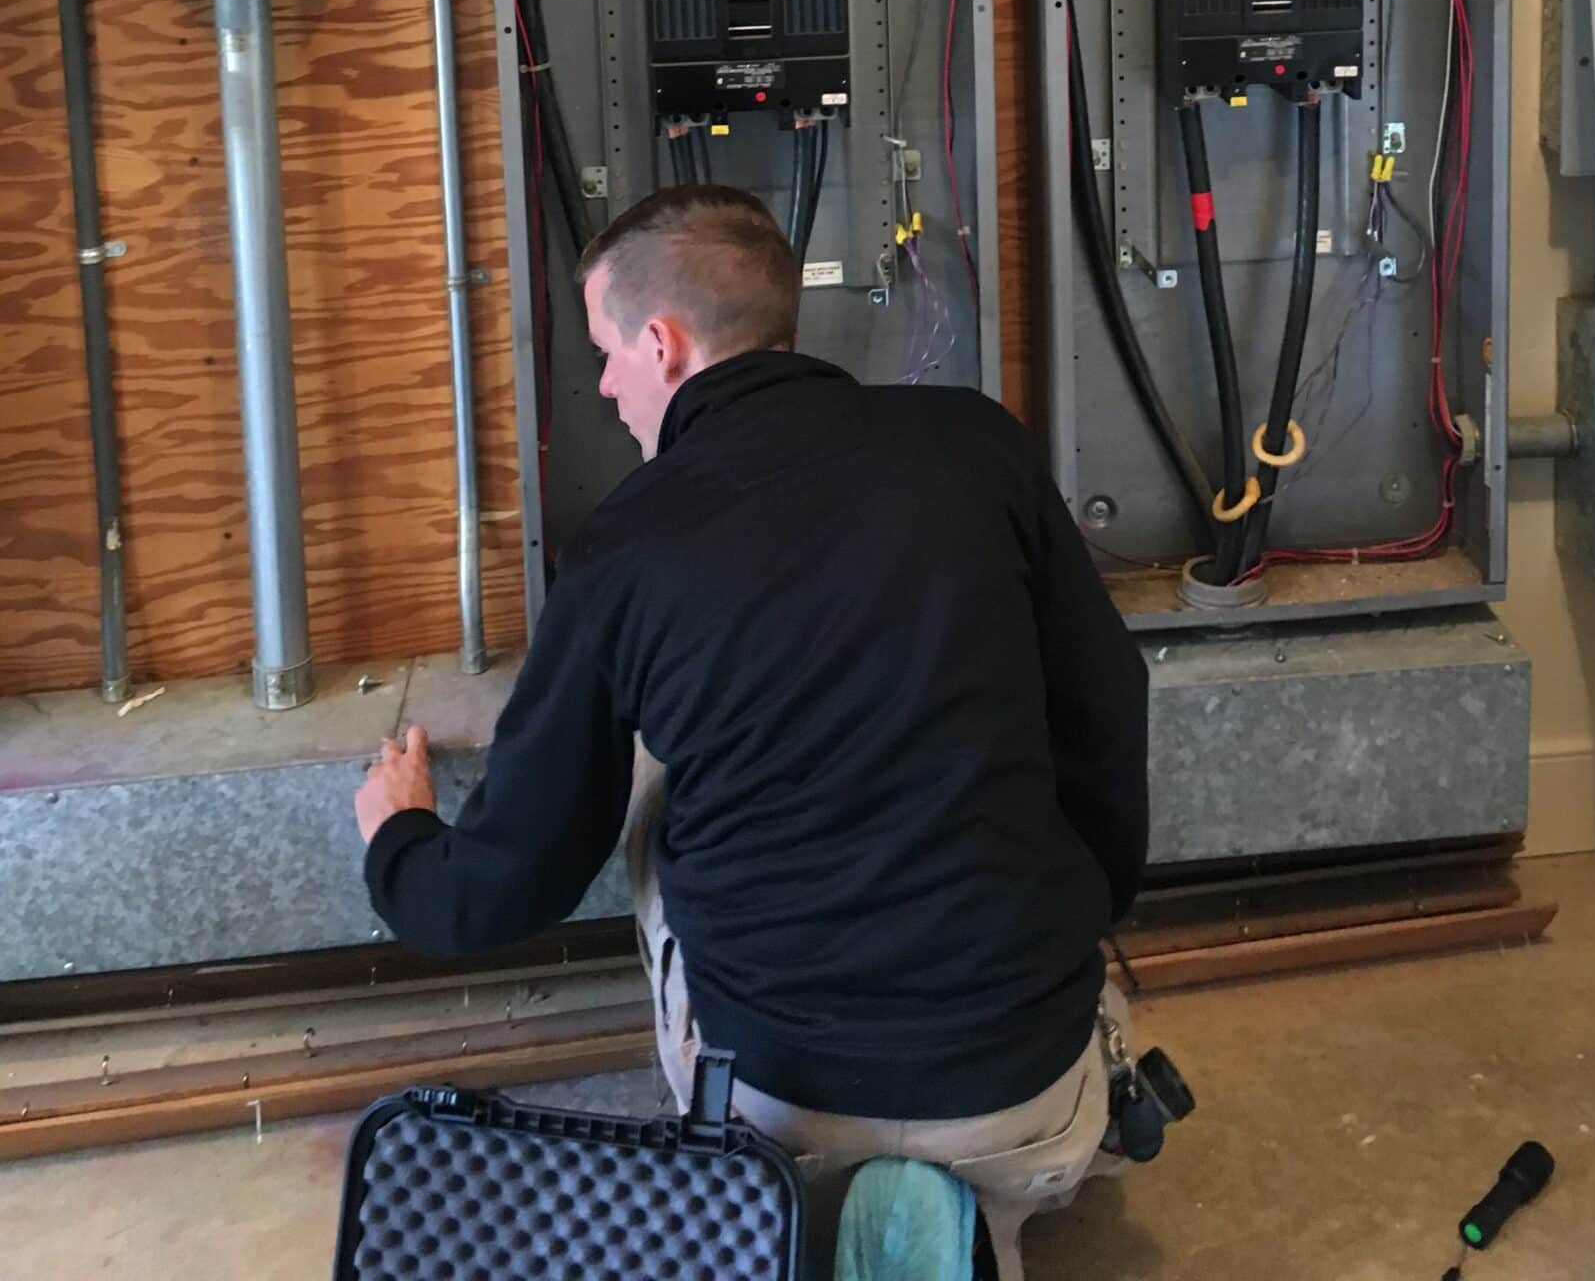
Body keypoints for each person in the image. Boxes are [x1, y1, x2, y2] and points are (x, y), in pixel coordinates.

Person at [355, 181, 1151, 1277]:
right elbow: (1106, 703)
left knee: (649, 764)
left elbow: (506, 884)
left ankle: (810, 1214)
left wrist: (400, 843)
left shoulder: (625, 547)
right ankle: (980, 1213)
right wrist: (1076, 913)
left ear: (665, 342)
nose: (603, 384)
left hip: (778, 1121)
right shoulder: (978, 445)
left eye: (607, 350)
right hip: (1027, 1088)